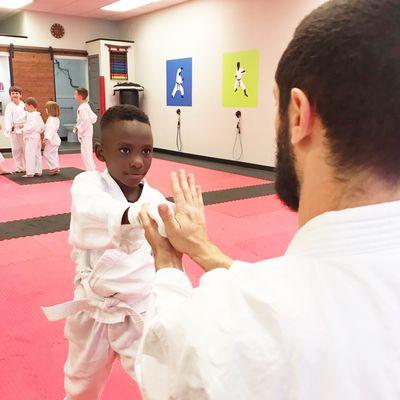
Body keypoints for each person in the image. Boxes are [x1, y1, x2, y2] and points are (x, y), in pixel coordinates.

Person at [136, 1, 400, 399]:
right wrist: (205, 251)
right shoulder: (269, 298)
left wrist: (169, 267)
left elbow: (162, 370)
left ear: (298, 115)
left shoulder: (236, 324)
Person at [41, 105, 172, 400]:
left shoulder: (156, 200)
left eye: (147, 151)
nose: (138, 161)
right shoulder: (88, 184)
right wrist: (134, 215)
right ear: (101, 152)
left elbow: (167, 258)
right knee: (80, 387)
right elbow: (91, 212)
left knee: (162, 385)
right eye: (125, 150)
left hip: (138, 311)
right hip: (92, 310)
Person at [73, 87, 97, 171]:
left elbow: (87, 120)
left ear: (80, 96)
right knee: (86, 153)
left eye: (75, 94)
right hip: (87, 132)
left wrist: (78, 127)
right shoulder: (85, 106)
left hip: (86, 133)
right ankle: (90, 170)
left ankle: (91, 171)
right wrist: (78, 126)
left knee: (86, 153)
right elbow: (94, 118)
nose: (74, 96)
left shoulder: (83, 107)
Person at [3, 85, 26, 173]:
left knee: (25, 149)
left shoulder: (24, 105)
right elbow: (7, 118)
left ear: (21, 95)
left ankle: (28, 167)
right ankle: (19, 167)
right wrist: (9, 128)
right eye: (13, 93)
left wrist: (25, 125)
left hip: (23, 129)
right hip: (14, 130)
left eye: (17, 93)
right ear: (10, 95)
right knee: (16, 150)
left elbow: (28, 117)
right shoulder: (9, 106)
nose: (15, 95)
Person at [22, 97, 44, 178]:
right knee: (37, 154)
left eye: (26, 106)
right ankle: (38, 171)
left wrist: (23, 128)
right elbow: (42, 127)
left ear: (30, 106)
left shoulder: (31, 115)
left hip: (31, 137)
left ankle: (30, 172)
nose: (25, 108)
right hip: (37, 137)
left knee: (29, 154)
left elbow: (30, 127)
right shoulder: (38, 115)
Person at [43, 101, 61, 175]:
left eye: (47, 108)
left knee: (46, 154)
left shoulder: (51, 119)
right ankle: (55, 167)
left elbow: (50, 129)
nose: (46, 110)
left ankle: (54, 167)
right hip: (55, 140)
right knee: (53, 154)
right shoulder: (56, 118)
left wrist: (46, 138)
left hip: (52, 140)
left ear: (50, 110)